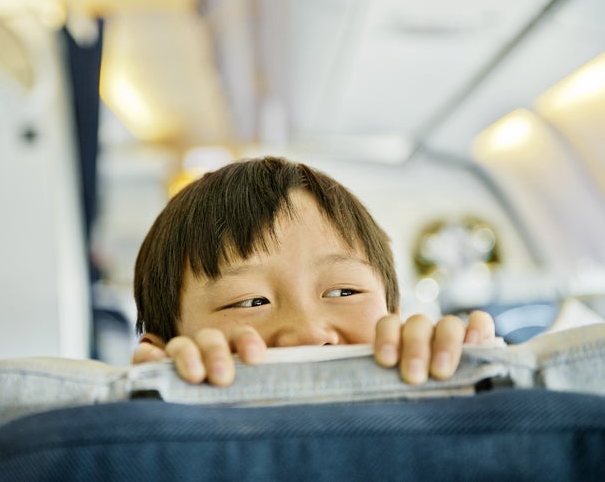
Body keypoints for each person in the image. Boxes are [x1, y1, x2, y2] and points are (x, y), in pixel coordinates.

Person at [131, 156, 496, 386]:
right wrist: (158, 396)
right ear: (163, 347)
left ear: (395, 318)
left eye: (343, 293)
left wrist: (473, 376)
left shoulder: (446, 399)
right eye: (249, 301)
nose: (307, 332)